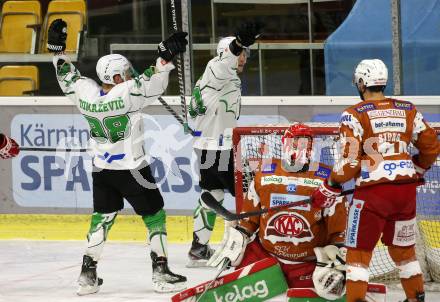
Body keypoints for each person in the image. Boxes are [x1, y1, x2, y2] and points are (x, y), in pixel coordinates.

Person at [47, 19, 189, 295]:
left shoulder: (86, 94)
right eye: (125, 72)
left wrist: (57, 51)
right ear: (116, 77)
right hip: (133, 170)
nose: (129, 75)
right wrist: (165, 57)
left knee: (102, 218)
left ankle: (87, 277)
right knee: (155, 217)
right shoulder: (127, 94)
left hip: (102, 171)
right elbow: (152, 82)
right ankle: (160, 272)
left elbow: (68, 76)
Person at [311, 59, 440, 302]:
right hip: (405, 194)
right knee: (404, 251)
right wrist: (418, 168)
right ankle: (416, 298)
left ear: (361, 83)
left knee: (358, 253)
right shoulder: (408, 109)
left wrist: (331, 184)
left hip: (372, 196)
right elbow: (431, 146)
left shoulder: (353, 115)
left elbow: (348, 163)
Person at [208, 123, 348, 300]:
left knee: (329, 291)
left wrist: (337, 250)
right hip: (265, 256)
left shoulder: (326, 179)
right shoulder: (264, 173)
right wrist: (240, 235)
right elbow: (250, 218)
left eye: (305, 142)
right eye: (295, 142)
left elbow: (338, 229)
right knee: (238, 278)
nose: (299, 146)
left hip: (307, 264)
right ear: (284, 143)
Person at [186, 22, 262, 267]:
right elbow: (222, 66)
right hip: (222, 150)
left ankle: (198, 247)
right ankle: (248, 250)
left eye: (246, 53)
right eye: (241, 53)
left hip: (207, 147)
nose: (243, 58)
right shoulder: (217, 70)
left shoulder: (209, 78)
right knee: (251, 196)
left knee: (212, 194)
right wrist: (235, 45)